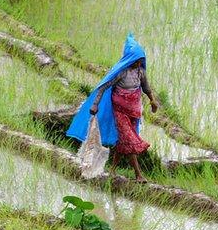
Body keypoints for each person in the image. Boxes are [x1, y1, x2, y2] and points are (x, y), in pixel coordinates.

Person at [66, 33, 159, 182]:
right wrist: (95, 104)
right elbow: (103, 87)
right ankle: (138, 174)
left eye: (141, 60)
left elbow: (146, 88)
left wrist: (152, 101)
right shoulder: (121, 72)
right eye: (137, 60)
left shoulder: (140, 72)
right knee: (129, 139)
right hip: (120, 111)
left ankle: (112, 170)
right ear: (130, 59)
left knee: (123, 140)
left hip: (134, 111)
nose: (139, 63)